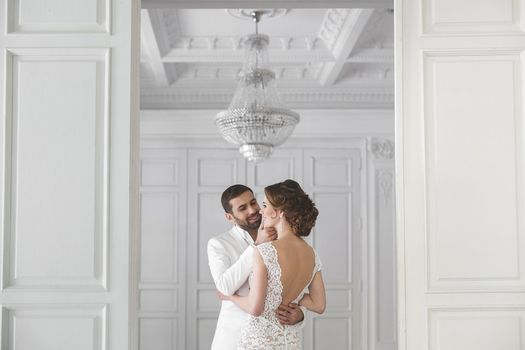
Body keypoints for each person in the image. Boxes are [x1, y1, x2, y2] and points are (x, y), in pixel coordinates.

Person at [218, 179, 326, 349]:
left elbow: (255, 308)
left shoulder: (264, 251)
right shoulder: (313, 254)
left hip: (258, 342)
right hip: (289, 342)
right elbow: (319, 305)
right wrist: (291, 298)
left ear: (280, 212)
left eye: (264, 205)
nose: (260, 211)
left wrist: (230, 296)